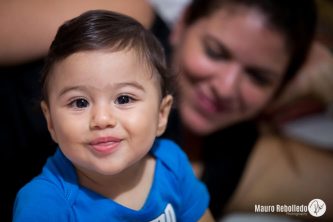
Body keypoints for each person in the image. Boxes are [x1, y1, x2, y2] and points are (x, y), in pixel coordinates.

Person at [12, 10, 213, 222]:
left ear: (161, 114)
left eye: (124, 99)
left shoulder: (172, 163)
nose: (102, 119)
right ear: (50, 121)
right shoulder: (45, 205)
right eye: (80, 102)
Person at [159, 0, 332, 221]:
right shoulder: (130, 27)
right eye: (215, 52)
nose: (225, 89)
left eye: (258, 77)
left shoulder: (237, 160)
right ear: (182, 24)